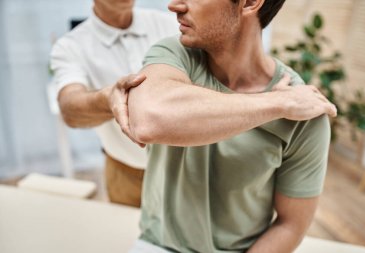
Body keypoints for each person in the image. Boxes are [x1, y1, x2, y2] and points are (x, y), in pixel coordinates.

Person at [123, 0, 337, 252]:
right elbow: (148, 120)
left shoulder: (305, 114)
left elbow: (292, 224)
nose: (174, 5)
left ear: (249, 3)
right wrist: (276, 103)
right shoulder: (174, 55)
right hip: (157, 245)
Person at [50, 0, 178, 207]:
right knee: (130, 234)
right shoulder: (70, 46)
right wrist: (108, 98)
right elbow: (70, 107)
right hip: (125, 172)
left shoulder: (169, 24)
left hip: (187, 167)